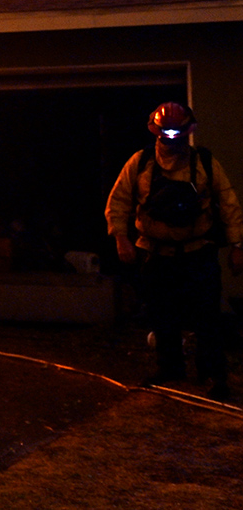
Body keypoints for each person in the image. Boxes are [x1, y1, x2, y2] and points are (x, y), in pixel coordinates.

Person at [105, 102, 243, 400]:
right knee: (161, 315)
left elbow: (228, 201)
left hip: (198, 253)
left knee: (207, 317)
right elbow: (119, 200)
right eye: (165, 133)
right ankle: (170, 368)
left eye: (177, 133)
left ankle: (212, 373)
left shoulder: (204, 163)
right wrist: (121, 238)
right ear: (155, 132)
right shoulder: (140, 163)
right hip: (156, 254)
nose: (171, 140)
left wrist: (237, 245)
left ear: (188, 131)